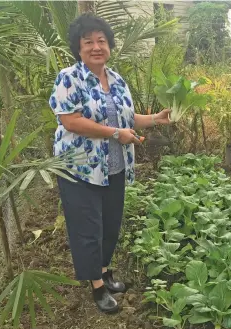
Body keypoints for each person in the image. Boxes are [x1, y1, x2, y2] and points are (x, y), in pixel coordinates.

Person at [49, 14, 172, 313]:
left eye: (101, 41)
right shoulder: (69, 77)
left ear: (109, 45)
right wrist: (116, 133)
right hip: (80, 168)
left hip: (114, 167)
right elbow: (71, 121)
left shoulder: (116, 79)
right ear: (78, 48)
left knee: (110, 225)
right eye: (88, 41)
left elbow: (128, 120)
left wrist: (155, 119)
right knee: (88, 228)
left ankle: (104, 270)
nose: (96, 47)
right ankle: (97, 285)